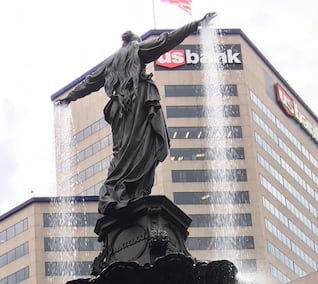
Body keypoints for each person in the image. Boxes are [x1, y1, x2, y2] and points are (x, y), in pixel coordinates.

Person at [56, 13, 217, 214]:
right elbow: (167, 41)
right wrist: (195, 24)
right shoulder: (137, 49)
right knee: (142, 150)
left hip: (119, 109)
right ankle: (126, 192)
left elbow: (89, 82)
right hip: (139, 103)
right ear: (135, 41)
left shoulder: (110, 62)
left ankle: (116, 193)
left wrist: (69, 98)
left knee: (122, 152)